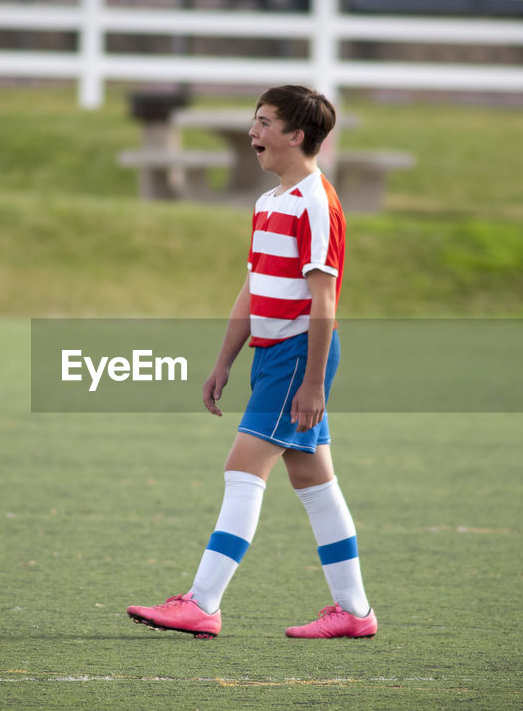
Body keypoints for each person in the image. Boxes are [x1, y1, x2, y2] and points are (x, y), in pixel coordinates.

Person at [127, 85, 376, 640]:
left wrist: (312, 384)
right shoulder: (269, 202)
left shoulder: (316, 200)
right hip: (273, 357)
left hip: (297, 356)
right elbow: (252, 287)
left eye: (264, 123)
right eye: (254, 121)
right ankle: (355, 612)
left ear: (297, 135)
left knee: (242, 472)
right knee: (314, 483)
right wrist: (223, 363)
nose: (252, 133)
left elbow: (324, 301)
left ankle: (202, 602)